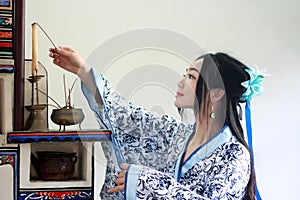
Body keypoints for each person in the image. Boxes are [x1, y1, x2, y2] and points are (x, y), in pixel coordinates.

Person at [49, 46, 264, 200]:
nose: (180, 82)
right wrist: (83, 71)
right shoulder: (177, 135)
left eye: (191, 77)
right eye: (184, 75)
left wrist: (148, 180)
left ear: (216, 93)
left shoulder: (234, 155)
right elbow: (129, 117)